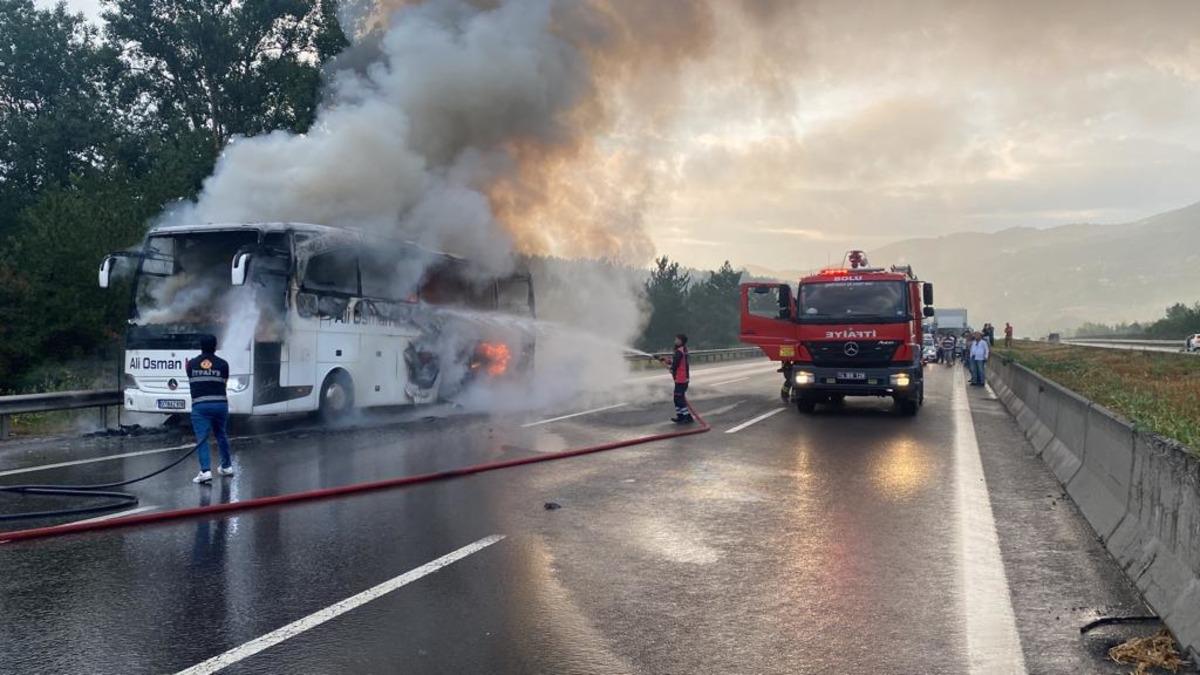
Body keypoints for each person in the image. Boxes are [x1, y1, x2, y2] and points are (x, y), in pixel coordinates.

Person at [187, 334, 234, 483]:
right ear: (215, 346)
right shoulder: (223, 364)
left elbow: (191, 381)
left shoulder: (191, 364)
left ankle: (205, 471)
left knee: (202, 438)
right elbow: (224, 383)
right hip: (220, 405)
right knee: (221, 434)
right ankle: (226, 467)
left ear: (201, 346)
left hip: (200, 406)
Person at [669, 334, 693, 424]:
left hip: (681, 379)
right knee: (677, 398)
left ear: (681, 341)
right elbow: (676, 362)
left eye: (677, 339)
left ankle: (686, 417)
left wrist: (671, 368)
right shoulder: (682, 350)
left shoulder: (680, 351)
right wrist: (666, 361)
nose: (675, 341)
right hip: (681, 378)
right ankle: (681, 416)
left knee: (679, 398)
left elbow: (675, 364)